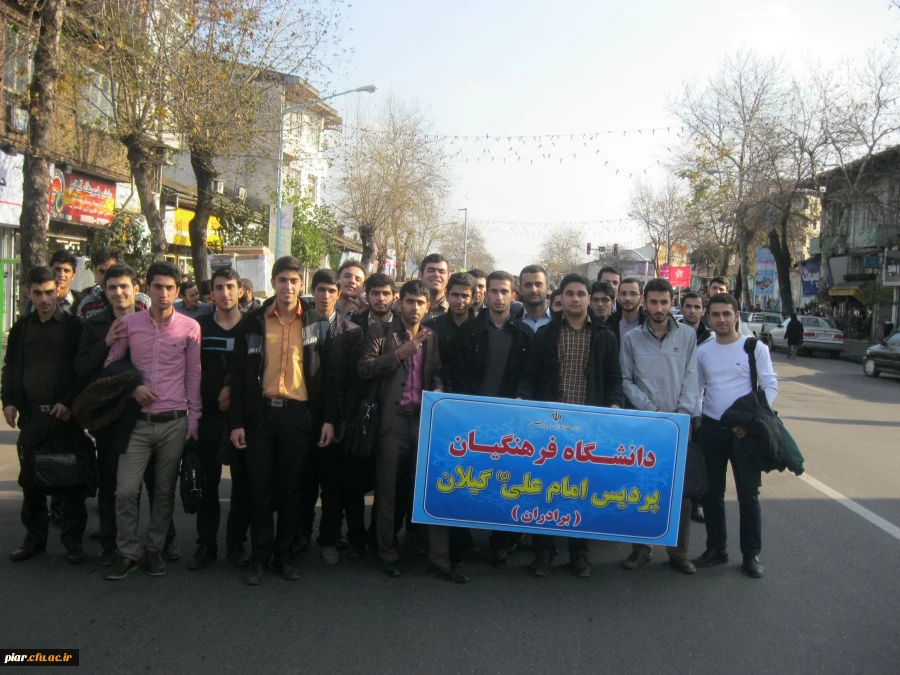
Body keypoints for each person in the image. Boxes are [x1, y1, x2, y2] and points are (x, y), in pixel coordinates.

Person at [228, 256, 336, 585]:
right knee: (259, 490)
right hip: (261, 416)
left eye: (293, 281)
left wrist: (329, 419)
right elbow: (238, 376)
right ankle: (260, 556)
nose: (287, 287)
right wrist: (236, 422)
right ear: (272, 283)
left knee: (292, 491)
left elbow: (329, 377)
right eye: (281, 280)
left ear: (301, 284)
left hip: (299, 417)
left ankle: (284, 555)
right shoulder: (253, 321)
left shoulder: (317, 322)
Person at [516, 273, 624, 578]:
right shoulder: (546, 336)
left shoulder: (605, 337)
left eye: (581, 294)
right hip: (549, 429)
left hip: (588, 430)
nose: (575, 299)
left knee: (581, 491)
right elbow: (530, 376)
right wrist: (523, 397)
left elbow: (614, 379)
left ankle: (579, 553)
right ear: (559, 299)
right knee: (546, 489)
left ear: (589, 298)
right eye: (569, 294)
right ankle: (544, 552)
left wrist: (614, 404)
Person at [103, 261, 202, 581]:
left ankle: (153, 549)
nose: (163, 293)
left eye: (169, 288)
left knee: (163, 492)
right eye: (157, 286)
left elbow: (193, 375)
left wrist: (194, 419)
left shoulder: (190, 327)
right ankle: (127, 551)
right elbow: (111, 365)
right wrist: (134, 387)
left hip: (174, 421)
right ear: (147, 287)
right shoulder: (129, 324)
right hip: (137, 422)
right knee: (125, 491)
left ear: (177, 291)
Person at [74, 263, 178, 565]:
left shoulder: (151, 320)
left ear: (136, 288)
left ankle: (164, 541)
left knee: (156, 484)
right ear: (104, 292)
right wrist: (106, 342)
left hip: (147, 415)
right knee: (112, 485)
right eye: (111, 288)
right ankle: (111, 544)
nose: (118, 293)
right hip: (111, 418)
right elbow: (82, 370)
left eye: (124, 286)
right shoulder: (93, 325)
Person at [358, 280, 459, 581]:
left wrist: (439, 388)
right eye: (409, 301)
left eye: (420, 303)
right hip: (393, 423)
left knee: (430, 491)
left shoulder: (432, 337)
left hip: (424, 423)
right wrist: (400, 353)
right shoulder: (380, 332)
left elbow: (437, 370)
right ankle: (387, 553)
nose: (415, 308)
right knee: (387, 493)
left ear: (428, 306)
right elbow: (364, 369)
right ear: (398, 303)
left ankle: (439, 559)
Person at [3, 267, 87, 564]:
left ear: (58, 291)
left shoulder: (74, 327)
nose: (44, 298)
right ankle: (34, 541)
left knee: (71, 482)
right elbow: (11, 367)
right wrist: (9, 401)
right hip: (32, 419)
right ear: (28, 292)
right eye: (37, 292)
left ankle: (73, 543)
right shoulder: (21, 328)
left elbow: (82, 370)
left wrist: (68, 402)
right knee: (31, 482)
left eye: (49, 292)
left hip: (65, 417)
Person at [692, 293, 777, 579]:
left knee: (748, 496)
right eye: (715, 315)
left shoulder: (754, 348)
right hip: (712, 430)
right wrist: (698, 417)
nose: (721, 320)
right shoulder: (703, 351)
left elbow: (769, 386)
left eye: (727, 314)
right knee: (712, 494)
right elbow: (697, 389)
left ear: (737, 315)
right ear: (708, 317)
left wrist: (751, 423)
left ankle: (751, 555)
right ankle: (717, 549)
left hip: (746, 433)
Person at [619, 279, 699, 574]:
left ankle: (678, 553)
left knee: (682, 493)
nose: (658, 308)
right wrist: (652, 412)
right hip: (646, 426)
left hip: (679, 426)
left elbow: (693, 378)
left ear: (671, 302)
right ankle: (641, 549)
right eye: (653, 302)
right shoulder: (631, 340)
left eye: (664, 302)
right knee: (641, 487)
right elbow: (626, 381)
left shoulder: (688, 336)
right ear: (644, 301)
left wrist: (682, 414)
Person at [460, 270, 533, 567]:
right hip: (473, 422)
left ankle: (501, 542)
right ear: (485, 294)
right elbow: (460, 374)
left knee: (508, 482)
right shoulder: (469, 331)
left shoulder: (525, 334)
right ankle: (462, 541)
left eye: (504, 291)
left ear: (513, 295)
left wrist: (521, 397)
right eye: (493, 291)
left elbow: (529, 377)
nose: (498, 297)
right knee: (468, 480)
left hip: (510, 424)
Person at [189, 268, 251, 570]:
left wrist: (231, 391)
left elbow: (253, 371)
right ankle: (206, 544)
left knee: (242, 487)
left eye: (230, 287)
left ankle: (236, 544)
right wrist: (218, 393)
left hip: (241, 417)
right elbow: (192, 370)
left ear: (240, 290)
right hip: (209, 416)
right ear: (210, 293)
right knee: (208, 484)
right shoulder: (198, 327)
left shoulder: (252, 327)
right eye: (218, 288)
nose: (224, 293)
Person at [297, 268, 361, 565]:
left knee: (332, 486)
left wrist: (336, 420)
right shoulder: (299, 326)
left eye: (331, 291)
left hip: (334, 420)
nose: (325, 296)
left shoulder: (351, 331)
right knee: (301, 483)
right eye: (320, 290)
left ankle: (329, 538)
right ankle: (299, 535)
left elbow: (349, 382)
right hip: (300, 417)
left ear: (339, 294)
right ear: (312, 291)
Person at [679, 291, 711, 524]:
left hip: (703, 407)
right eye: (688, 306)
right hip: (678, 402)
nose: (692, 310)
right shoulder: (675, 334)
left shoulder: (710, 338)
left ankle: (697, 502)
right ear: (681, 308)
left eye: (696, 307)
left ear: (703, 310)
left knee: (698, 458)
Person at [424, 272, 476, 394]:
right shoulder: (431, 328)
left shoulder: (482, 330)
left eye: (465, 296)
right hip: (437, 395)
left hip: (472, 398)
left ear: (473, 298)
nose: (459, 300)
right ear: (447, 295)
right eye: (455, 295)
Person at [75, 247, 150, 319]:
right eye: (102, 271)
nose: (106, 276)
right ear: (95, 272)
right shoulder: (87, 304)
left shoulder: (142, 301)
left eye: (111, 270)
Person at [606, 277, 645, 346]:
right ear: (618, 297)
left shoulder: (648, 323)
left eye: (633, 294)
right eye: (623, 294)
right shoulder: (609, 323)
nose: (627, 298)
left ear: (641, 298)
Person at [519, 265, 552, 333]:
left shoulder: (560, 322)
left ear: (547, 288)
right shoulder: (511, 324)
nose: (533, 290)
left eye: (538, 284)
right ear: (520, 290)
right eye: (528, 285)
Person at [419, 253, 450, 321]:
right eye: (431, 270)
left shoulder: (455, 308)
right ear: (421, 275)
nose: (436, 275)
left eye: (441, 271)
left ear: (449, 277)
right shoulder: (408, 307)